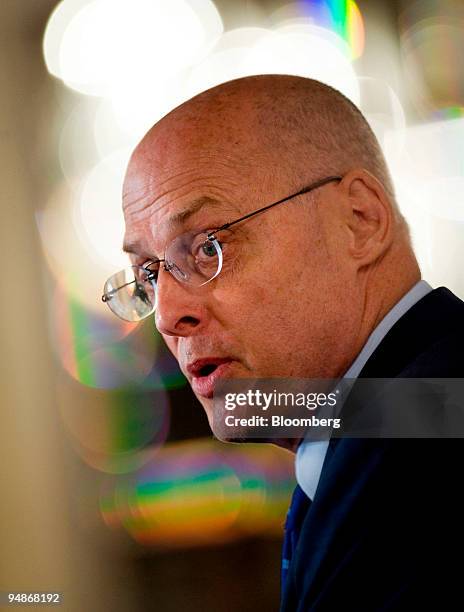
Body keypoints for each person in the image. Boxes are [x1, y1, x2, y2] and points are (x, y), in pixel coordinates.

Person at [102, 75, 464, 610]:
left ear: (360, 220)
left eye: (207, 246)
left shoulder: (426, 454)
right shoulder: (390, 421)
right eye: (150, 276)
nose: (169, 316)